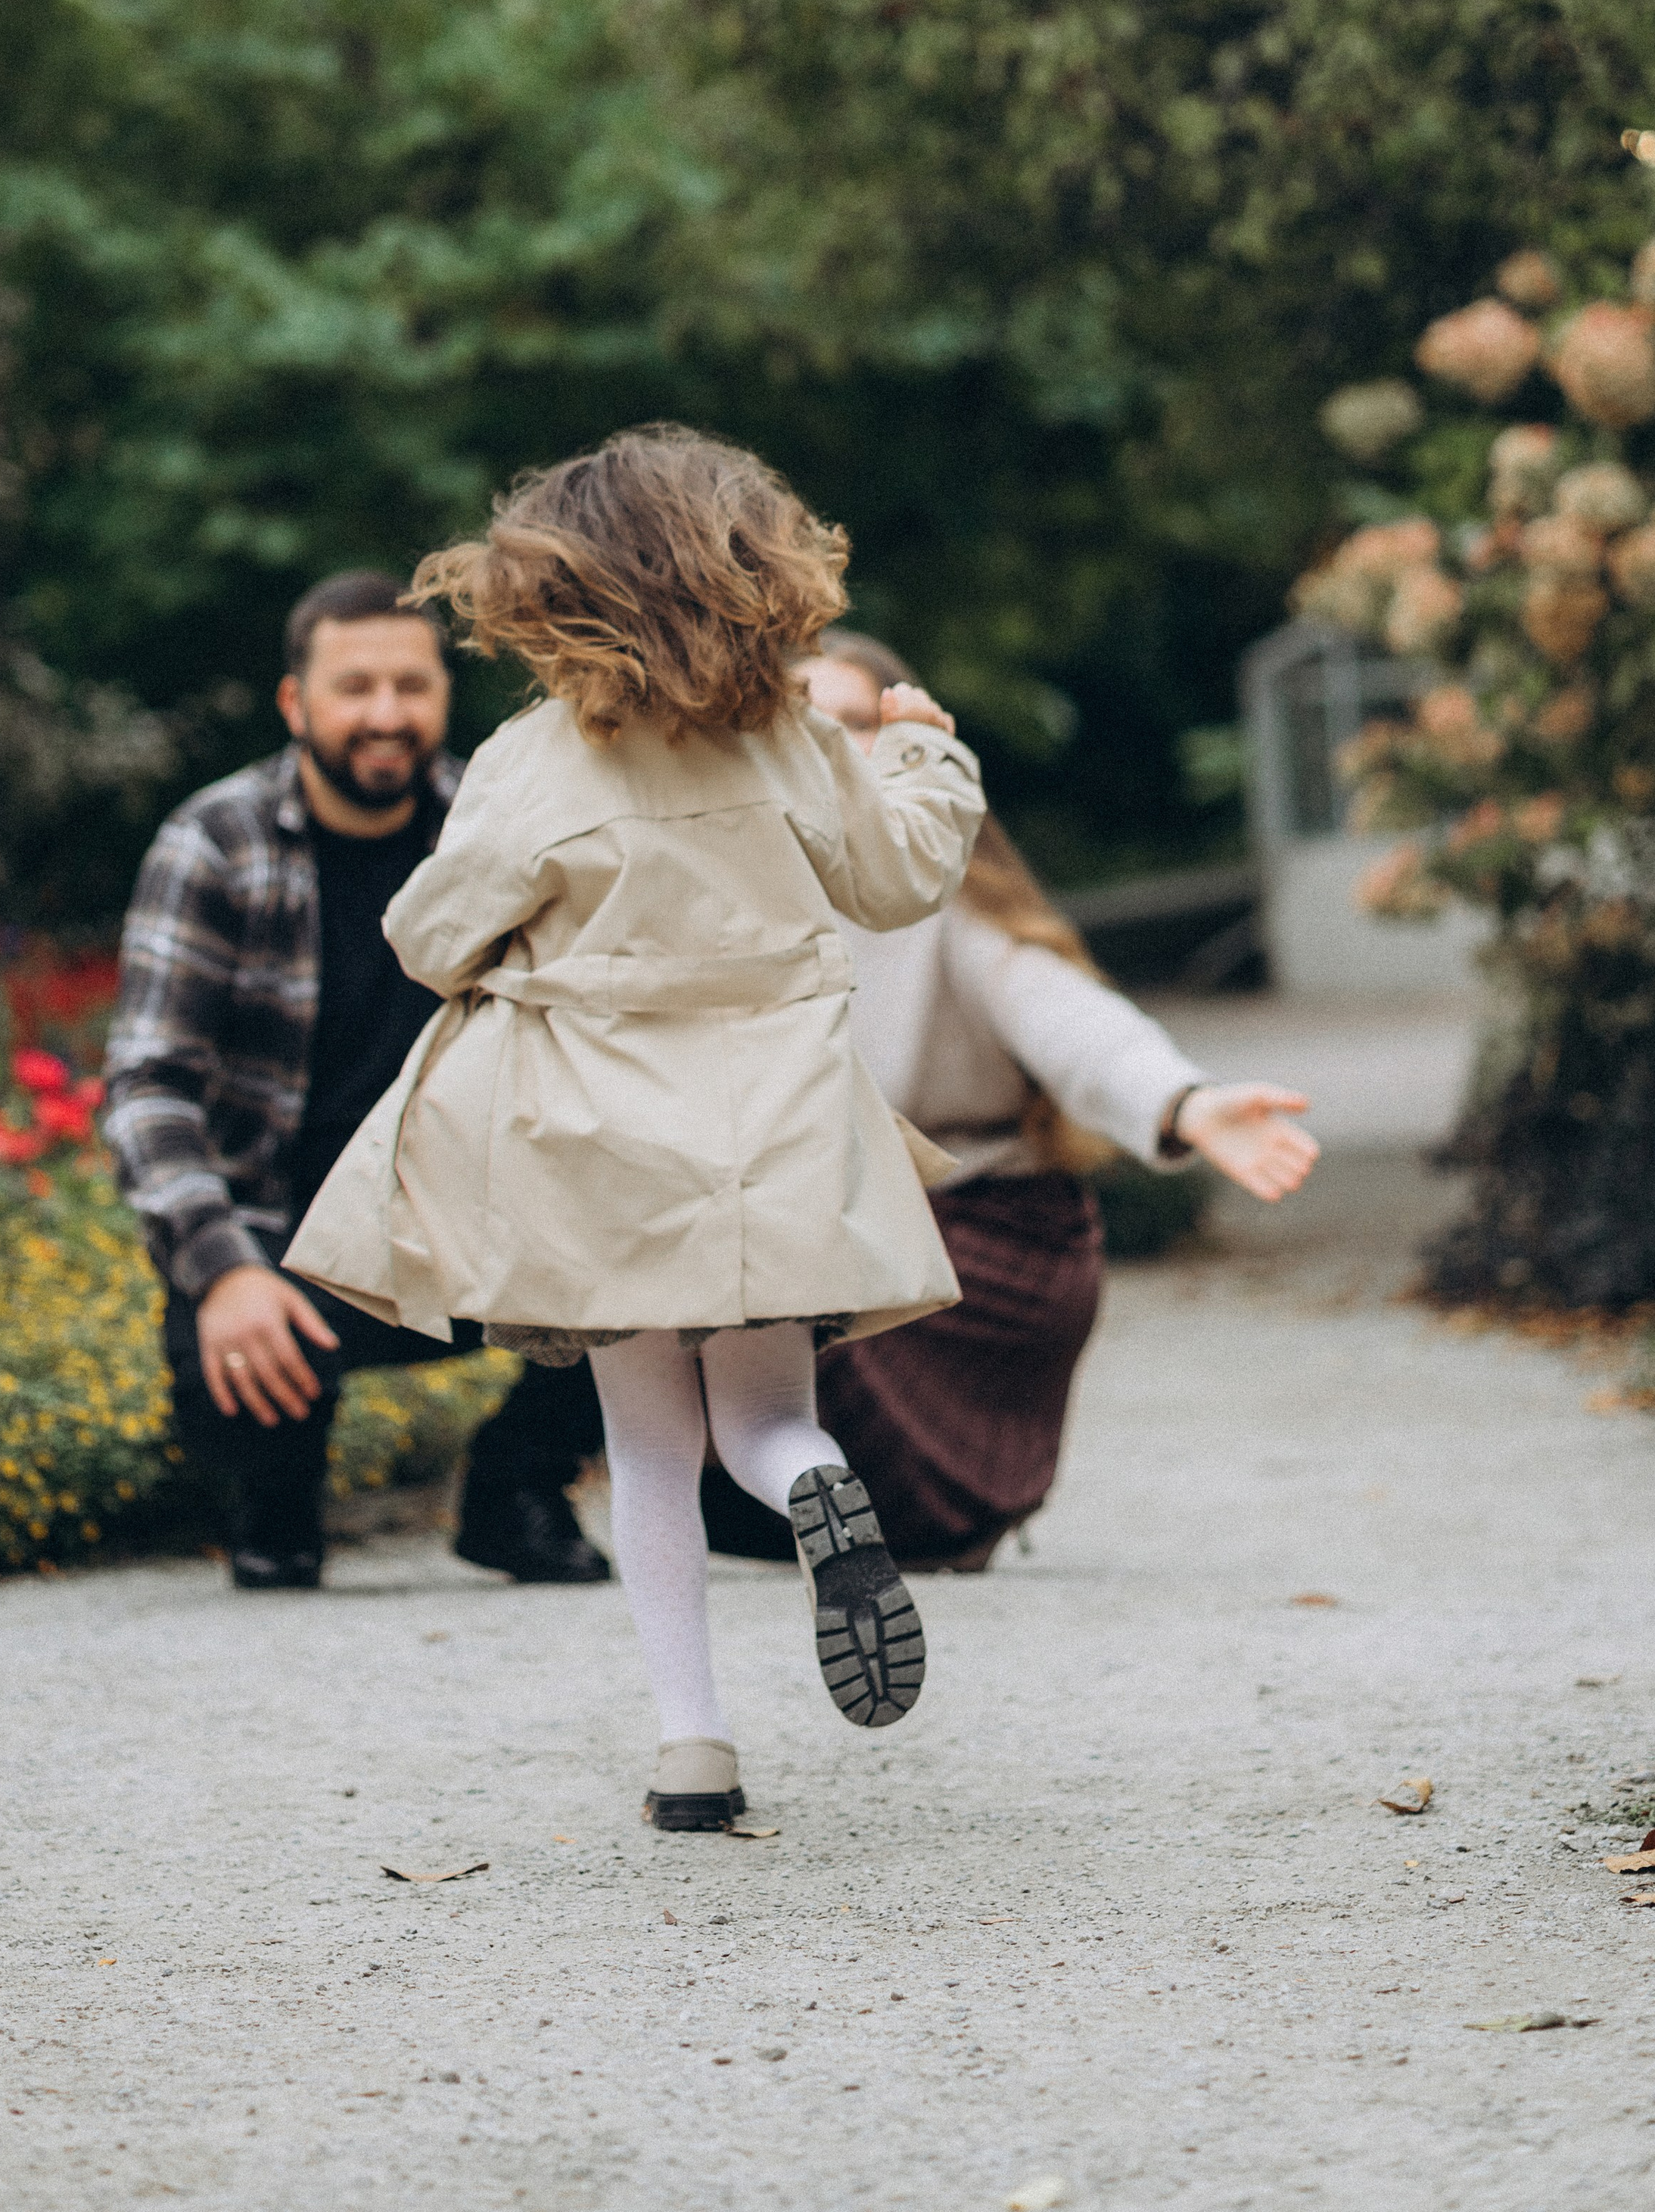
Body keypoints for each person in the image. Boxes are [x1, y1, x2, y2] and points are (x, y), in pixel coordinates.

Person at [285, 428, 986, 1832]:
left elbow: (428, 937)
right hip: (774, 1132)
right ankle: (824, 1492)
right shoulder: (794, 742)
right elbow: (900, 877)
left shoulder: (533, 763)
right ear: (758, 576)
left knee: (648, 1450)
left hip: (596, 1152)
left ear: (549, 596)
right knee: (770, 1418)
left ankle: (692, 1755)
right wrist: (924, 752)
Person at [701, 630, 1318, 1575]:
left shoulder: (947, 903)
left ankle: (883, 1511)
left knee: (795, 1301)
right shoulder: (706, 901)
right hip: (817, 1240)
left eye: (859, 725)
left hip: (983, 1248)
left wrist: (1182, 1103)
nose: (833, 752)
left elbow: (1067, 1018)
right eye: (802, 726)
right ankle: (546, 1493)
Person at [104, 568, 608, 1593]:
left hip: (475, 1226)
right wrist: (223, 1270)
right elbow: (146, 1088)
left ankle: (517, 1485)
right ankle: (276, 1493)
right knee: (264, 1522)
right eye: (355, 687)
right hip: (286, 1245)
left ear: (443, 696)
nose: (386, 715)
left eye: (412, 688)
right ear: (297, 703)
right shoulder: (215, 843)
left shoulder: (502, 831)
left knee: (668, 1247)